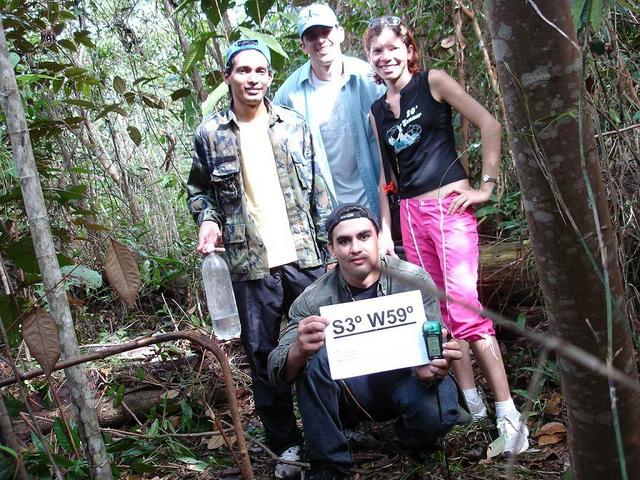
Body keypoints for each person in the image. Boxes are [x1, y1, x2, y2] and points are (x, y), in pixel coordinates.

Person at [364, 16, 529, 456]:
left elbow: (489, 125)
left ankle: (510, 418)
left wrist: (486, 187)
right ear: (370, 59)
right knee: (437, 312)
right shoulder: (377, 111)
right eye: (376, 51)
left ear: (408, 48)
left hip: (450, 207)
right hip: (410, 217)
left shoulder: (433, 82)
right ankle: (469, 405)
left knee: (465, 309)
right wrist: (384, 227)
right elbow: (386, 177)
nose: (386, 57)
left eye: (392, 47)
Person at [186, 39, 333, 479]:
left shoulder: (293, 124)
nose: (253, 78)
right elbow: (199, 191)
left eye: (261, 71)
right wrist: (207, 221)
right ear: (228, 76)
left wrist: (331, 252)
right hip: (249, 264)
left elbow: (317, 190)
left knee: (324, 343)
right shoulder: (211, 134)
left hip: (303, 255)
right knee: (263, 353)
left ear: (269, 77)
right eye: (243, 71)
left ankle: (336, 428)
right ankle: (286, 444)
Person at [268, 203, 468, 480]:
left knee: (439, 411)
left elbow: (437, 346)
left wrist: (434, 366)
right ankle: (329, 463)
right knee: (315, 359)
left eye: (364, 236)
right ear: (332, 249)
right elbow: (277, 372)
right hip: (351, 392)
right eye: (344, 241)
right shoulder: (312, 300)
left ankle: (410, 437)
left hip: (406, 381)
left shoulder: (413, 280)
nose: (355, 248)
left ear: (378, 239)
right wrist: (299, 349)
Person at [274, 3, 385, 218]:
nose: (321, 40)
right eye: (312, 36)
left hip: (376, 199)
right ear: (303, 46)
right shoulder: (289, 95)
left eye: (326, 31)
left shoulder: (370, 78)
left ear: (340, 33)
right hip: (325, 209)